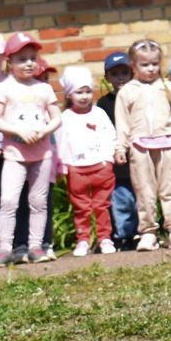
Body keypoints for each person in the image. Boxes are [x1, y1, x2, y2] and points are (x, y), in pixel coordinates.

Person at [0, 32, 61, 264]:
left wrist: (45, 130)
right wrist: (18, 131)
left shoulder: (43, 89)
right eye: (21, 59)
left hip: (42, 153)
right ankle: (5, 248)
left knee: (38, 201)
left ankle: (36, 247)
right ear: (10, 62)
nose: (29, 63)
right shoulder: (4, 87)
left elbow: (57, 117)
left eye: (32, 58)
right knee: (8, 200)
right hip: (14, 154)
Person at [114, 38, 171, 250]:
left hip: (167, 145)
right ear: (133, 66)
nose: (150, 69)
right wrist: (121, 147)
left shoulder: (167, 88)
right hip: (140, 147)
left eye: (155, 64)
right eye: (144, 65)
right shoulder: (127, 92)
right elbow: (122, 123)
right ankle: (148, 232)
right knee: (144, 190)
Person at [53, 67, 118, 255]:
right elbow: (61, 142)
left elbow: (109, 135)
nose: (84, 96)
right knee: (81, 207)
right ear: (69, 95)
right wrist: (63, 165)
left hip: (101, 166)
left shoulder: (99, 113)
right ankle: (83, 239)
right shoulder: (65, 117)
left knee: (102, 205)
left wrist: (108, 158)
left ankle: (105, 238)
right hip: (76, 169)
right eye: (78, 92)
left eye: (88, 91)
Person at [94, 51, 139, 247]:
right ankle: (124, 235)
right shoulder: (104, 104)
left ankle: (143, 232)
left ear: (131, 73)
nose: (120, 77)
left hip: (139, 157)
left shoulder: (138, 97)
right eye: (114, 74)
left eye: (124, 72)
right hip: (117, 164)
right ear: (107, 78)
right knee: (121, 201)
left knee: (141, 200)